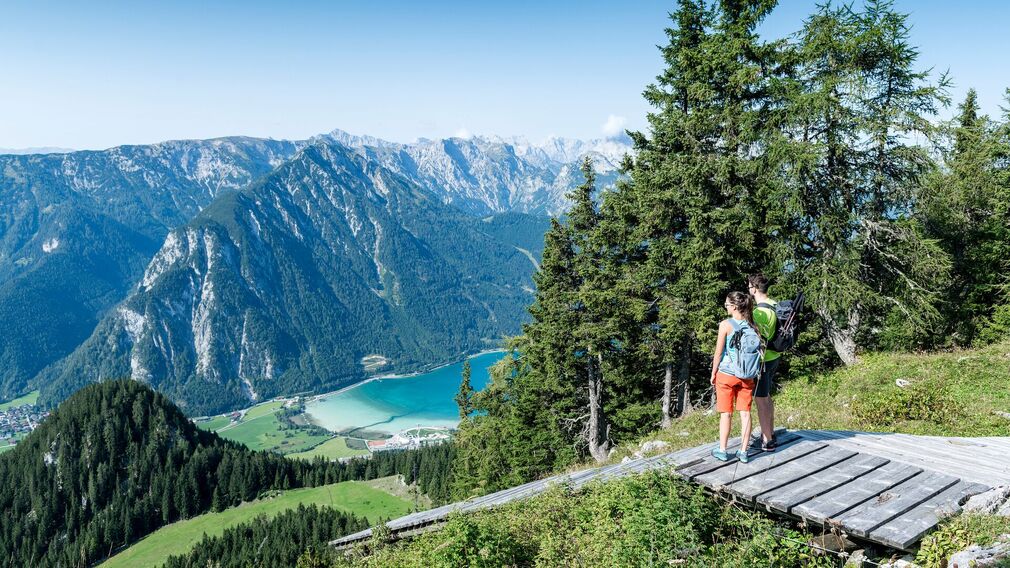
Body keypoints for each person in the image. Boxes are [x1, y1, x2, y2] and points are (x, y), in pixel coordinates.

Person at [709, 291, 764, 463]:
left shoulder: (726, 325)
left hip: (726, 375)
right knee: (745, 413)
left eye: (726, 305)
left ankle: (723, 450)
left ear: (733, 306)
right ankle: (743, 451)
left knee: (726, 414)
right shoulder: (753, 326)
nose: (725, 307)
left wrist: (713, 373)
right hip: (747, 376)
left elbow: (718, 353)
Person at [748, 274, 780, 452]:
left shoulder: (758, 312)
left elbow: (756, 339)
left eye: (749, 286)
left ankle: (767, 440)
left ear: (754, 288)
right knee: (767, 395)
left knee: (760, 399)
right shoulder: (775, 304)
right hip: (775, 356)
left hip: (763, 360)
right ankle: (771, 432)